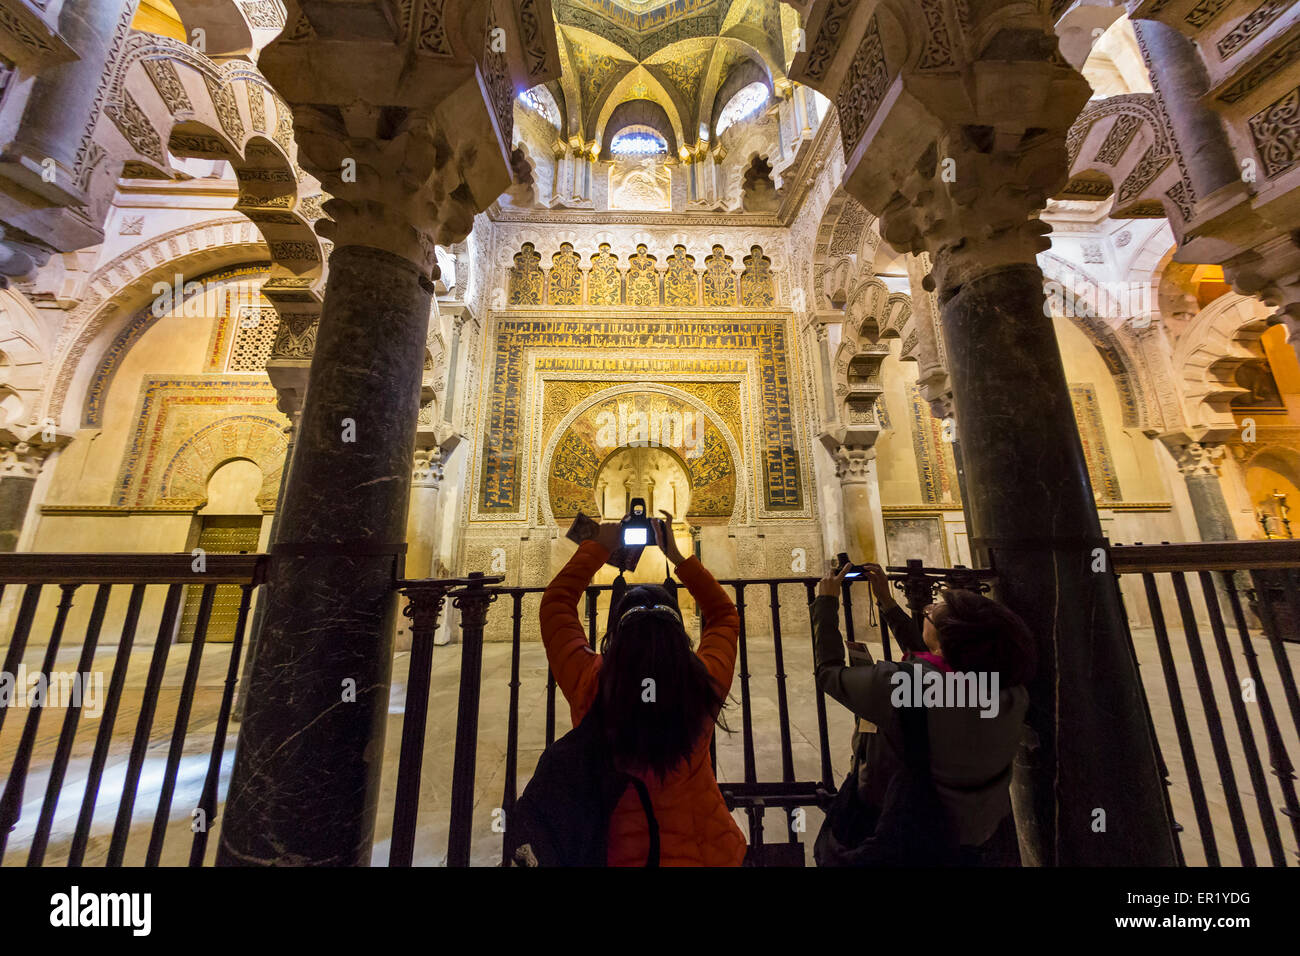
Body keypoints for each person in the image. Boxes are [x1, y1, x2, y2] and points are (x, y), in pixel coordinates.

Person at [538, 510, 746, 866]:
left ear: (615, 634)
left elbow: (555, 603)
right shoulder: (702, 682)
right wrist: (679, 558)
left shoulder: (591, 682)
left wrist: (598, 547)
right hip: (708, 853)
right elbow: (725, 614)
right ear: (679, 634)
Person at [811, 561, 1036, 866]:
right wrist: (887, 602)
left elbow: (829, 673)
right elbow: (933, 667)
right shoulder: (1009, 692)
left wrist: (825, 603)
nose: (928, 606)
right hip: (970, 835)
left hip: (905, 827)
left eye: (933, 611)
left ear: (948, 637)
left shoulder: (904, 687)